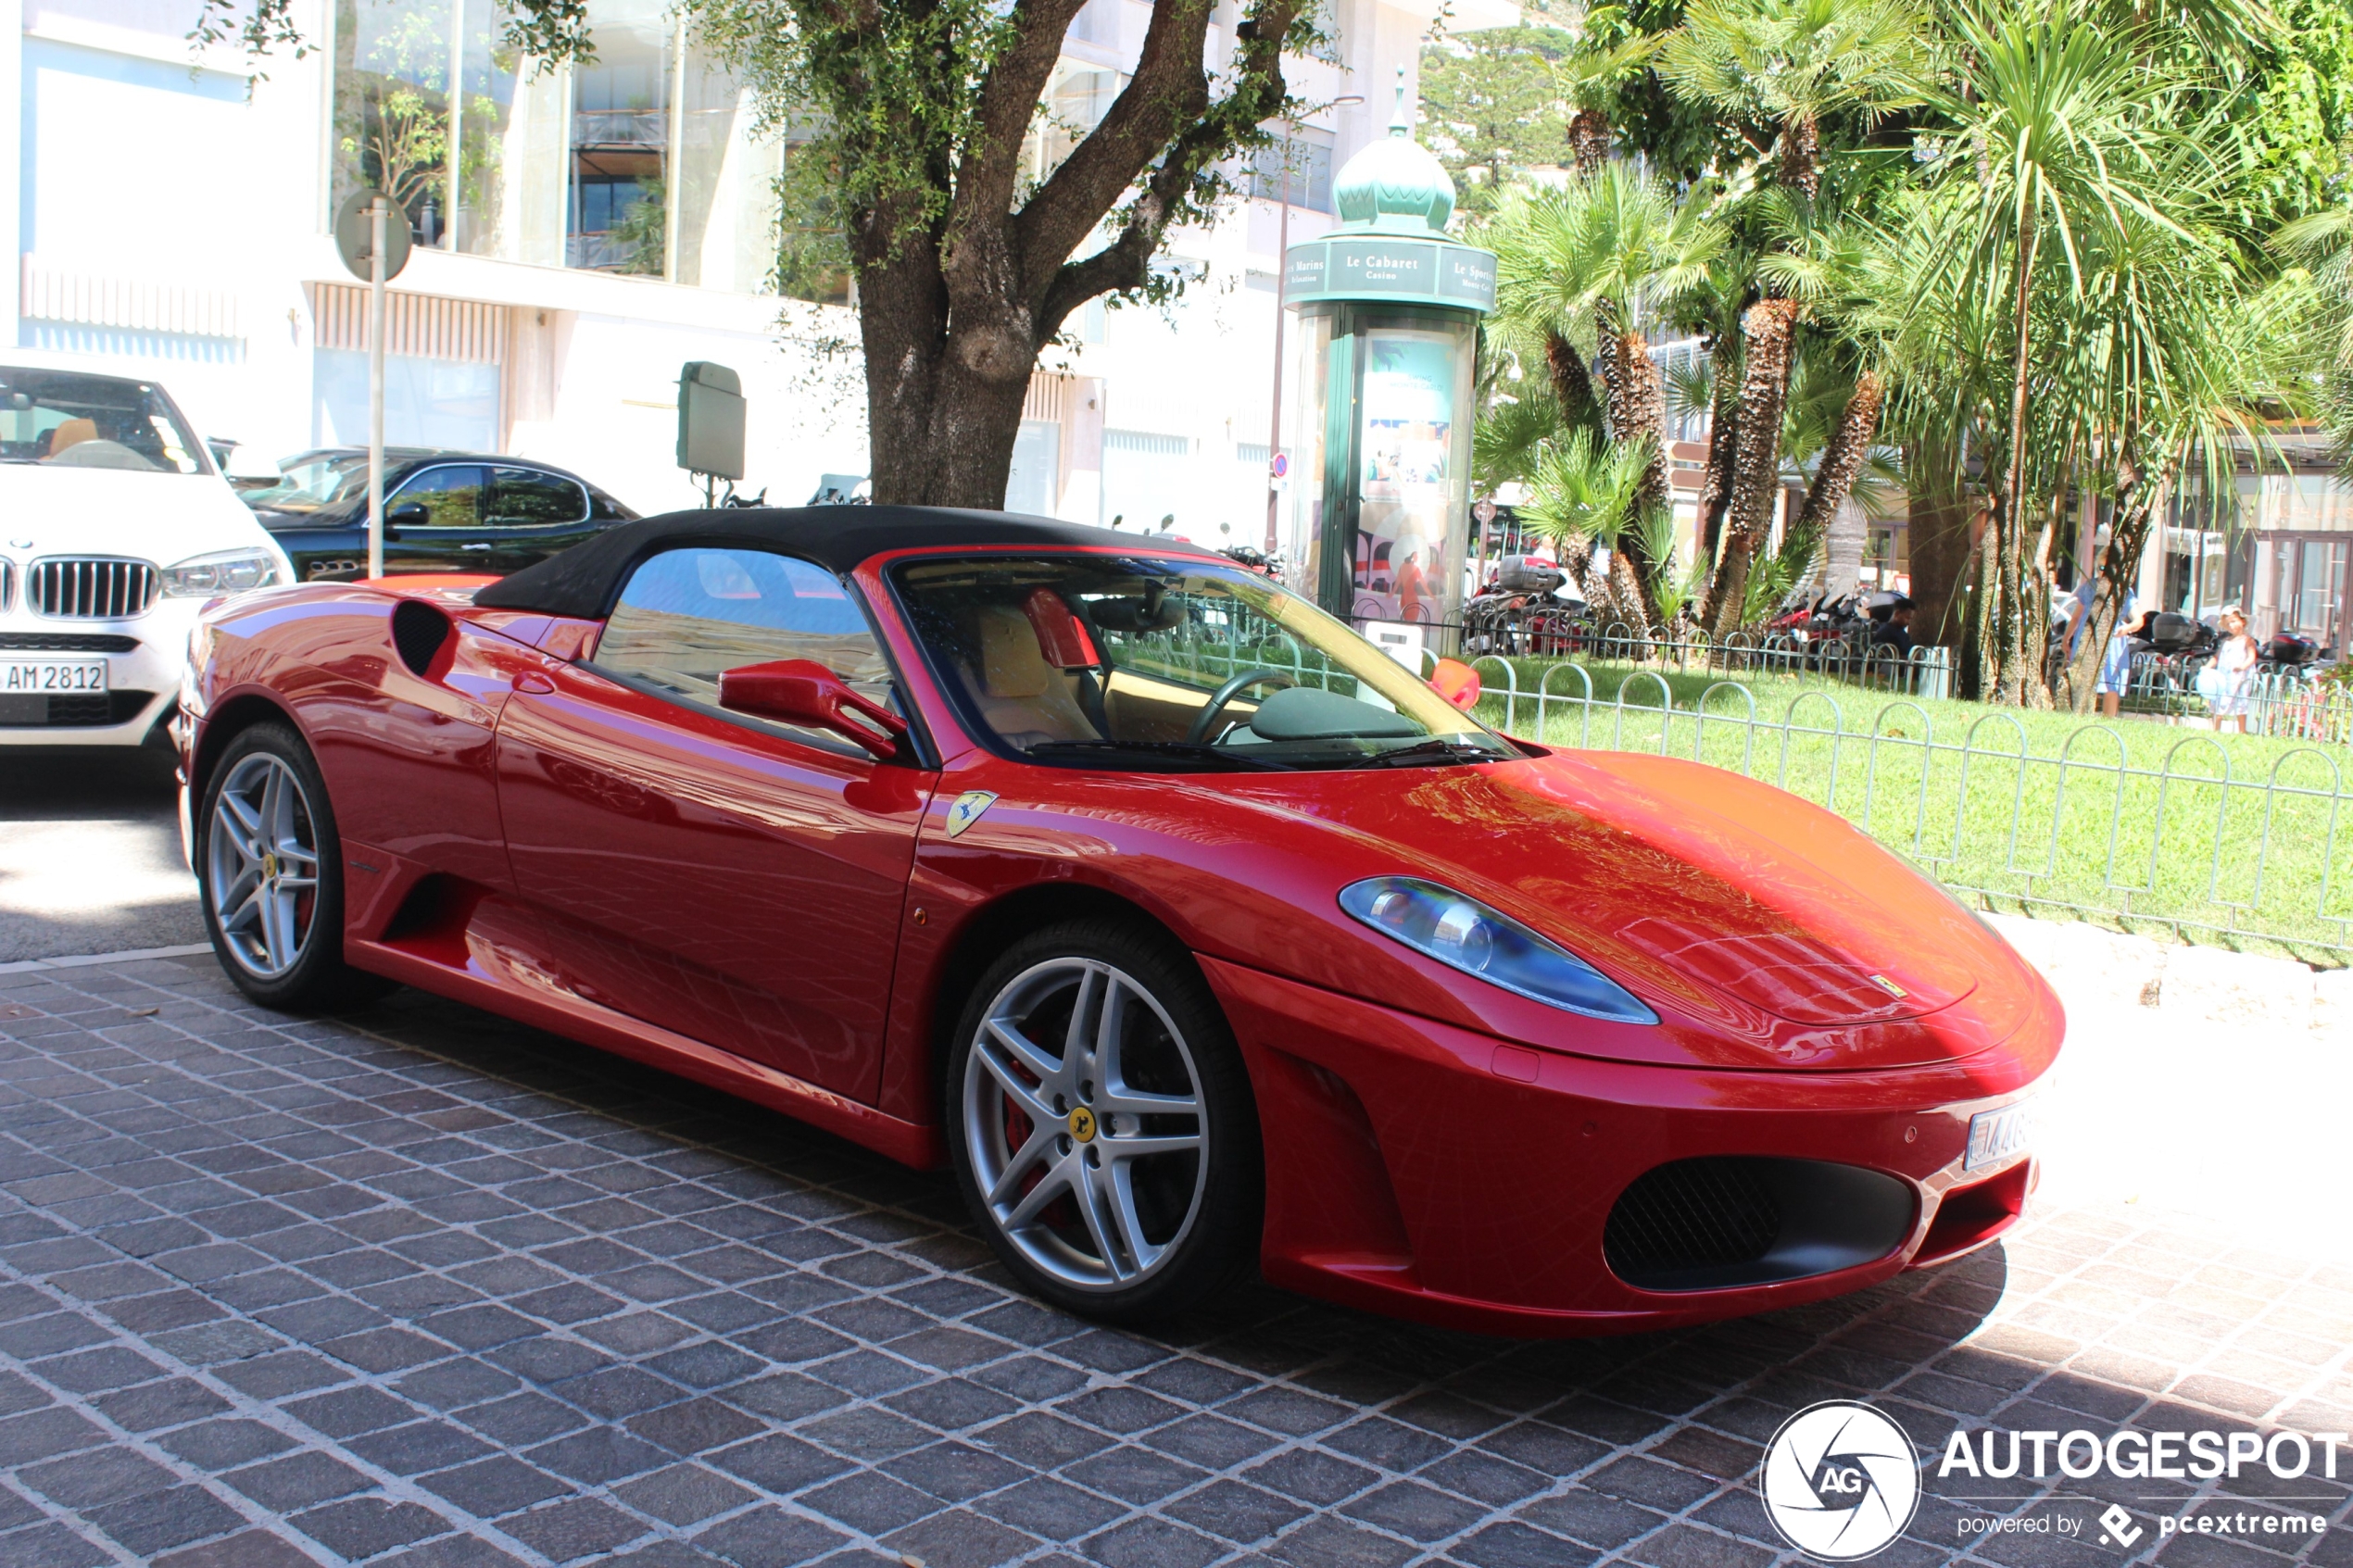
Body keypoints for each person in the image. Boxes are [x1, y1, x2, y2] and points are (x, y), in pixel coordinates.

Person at [2067, 577, 2139, 717]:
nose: (2103, 571)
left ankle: (2108, 721)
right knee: (2082, 680)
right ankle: (2079, 717)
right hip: (2086, 638)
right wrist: (2066, 638)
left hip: (2112, 643)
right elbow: (2076, 617)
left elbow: (2138, 620)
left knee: (2111, 684)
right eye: (2100, 567)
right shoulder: (2089, 586)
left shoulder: (2124, 590)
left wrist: (2126, 629)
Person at [2199, 607, 2259, 734]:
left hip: (2239, 677)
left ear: (2242, 621)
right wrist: (2207, 667)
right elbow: (2217, 657)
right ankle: (2216, 729)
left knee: (2240, 702)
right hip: (2224, 677)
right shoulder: (2226, 642)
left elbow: (2252, 656)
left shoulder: (2247, 640)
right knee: (2220, 700)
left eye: (2234, 621)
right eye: (2228, 623)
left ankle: (2242, 730)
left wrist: (2243, 666)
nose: (2232, 625)